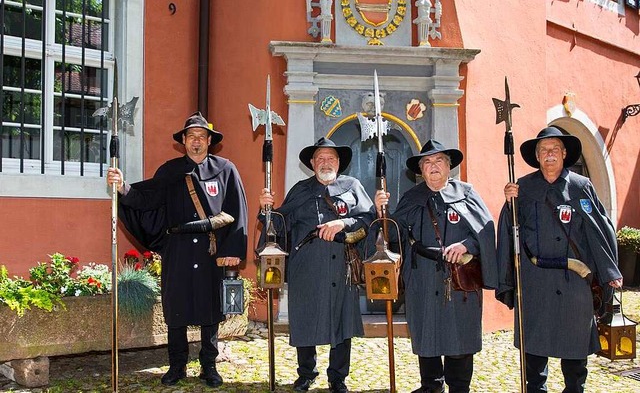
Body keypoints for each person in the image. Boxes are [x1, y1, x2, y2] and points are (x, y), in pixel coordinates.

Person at [106, 111, 248, 388]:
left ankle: (209, 365)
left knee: (211, 308)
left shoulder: (226, 169)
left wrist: (232, 250)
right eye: (191, 137)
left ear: (210, 141)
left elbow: (237, 210)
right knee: (177, 307)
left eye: (202, 137)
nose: (196, 142)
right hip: (178, 249)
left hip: (211, 249)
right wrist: (122, 187)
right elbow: (146, 198)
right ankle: (177, 365)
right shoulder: (170, 171)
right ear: (183, 140)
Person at [497, 126, 623, 393]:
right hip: (535, 282)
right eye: (544, 150)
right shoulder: (522, 188)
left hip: (574, 282)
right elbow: (508, 232)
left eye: (555, 149)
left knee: (575, 347)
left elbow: (599, 230)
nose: (549, 154)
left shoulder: (581, 187)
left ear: (565, 154)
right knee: (534, 349)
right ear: (537, 156)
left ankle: (574, 389)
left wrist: (609, 271)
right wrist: (509, 205)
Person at [374, 139, 498, 393]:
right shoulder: (412, 198)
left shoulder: (467, 193)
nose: (433, 166)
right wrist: (381, 213)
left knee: (459, 333)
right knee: (426, 330)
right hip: (423, 277)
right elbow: (393, 235)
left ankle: (459, 386)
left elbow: (485, 230)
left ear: (449, 166)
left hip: (460, 277)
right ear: (420, 169)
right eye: (427, 162)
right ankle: (431, 385)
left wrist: (466, 246)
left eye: (439, 160)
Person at [258, 137, 375, 393]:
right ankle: (306, 373)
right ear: (312, 163)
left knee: (342, 323)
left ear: (338, 161)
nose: (325, 162)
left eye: (330, 158)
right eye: (320, 158)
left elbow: (369, 218)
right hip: (306, 268)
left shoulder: (353, 186)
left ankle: (337, 377)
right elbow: (280, 226)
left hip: (343, 267)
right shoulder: (300, 190)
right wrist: (267, 211)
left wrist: (343, 223)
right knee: (305, 319)